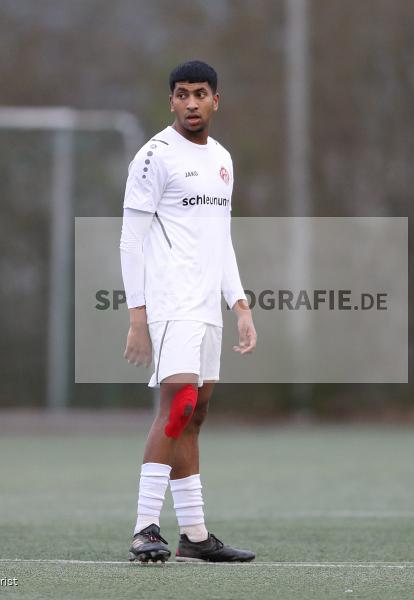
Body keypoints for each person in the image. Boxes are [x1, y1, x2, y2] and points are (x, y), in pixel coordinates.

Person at [119, 60, 257, 563]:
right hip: (171, 303)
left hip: (207, 310)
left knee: (195, 415)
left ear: (216, 99)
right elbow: (130, 239)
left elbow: (220, 242)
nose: (192, 103)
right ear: (171, 101)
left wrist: (240, 304)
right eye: (182, 94)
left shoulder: (221, 159)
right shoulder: (154, 157)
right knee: (176, 409)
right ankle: (144, 528)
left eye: (201, 94)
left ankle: (194, 537)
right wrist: (138, 314)